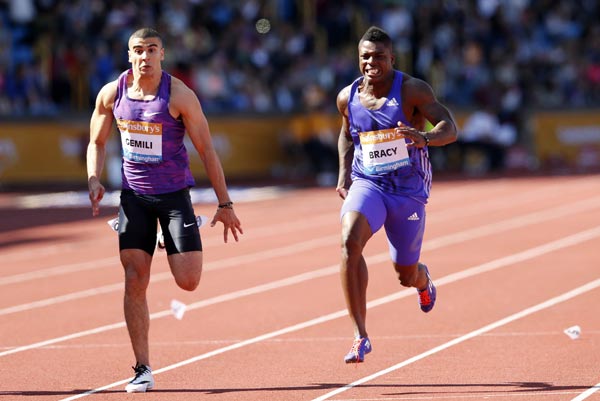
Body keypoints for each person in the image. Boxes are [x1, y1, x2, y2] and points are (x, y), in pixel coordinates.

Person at [86, 28, 243, 392]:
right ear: (129, 56)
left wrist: (225, 203)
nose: (145, 57)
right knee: (133, 278)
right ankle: (142, 367)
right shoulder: (113, 93)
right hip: (134, 196)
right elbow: (96, 140)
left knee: (188, 281)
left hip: (173, 196)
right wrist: (94, 178)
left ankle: (170, 233)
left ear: (162, 54)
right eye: (138, 50)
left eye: (151, 50)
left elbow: (206, 150)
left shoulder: (180, 96)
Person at [335, 26, 457, 363]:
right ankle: (360, 335)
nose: (371, 63)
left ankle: (422, 280)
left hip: (408, 190)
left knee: (405, 273)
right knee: (349, 241)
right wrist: (345, 173)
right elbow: (347, 135)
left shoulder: (413, 91)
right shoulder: (347, 97)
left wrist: (425, 137)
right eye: (365, 57)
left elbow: (449, 126)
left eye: (378, 57)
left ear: (392, 58)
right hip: (368, 182)